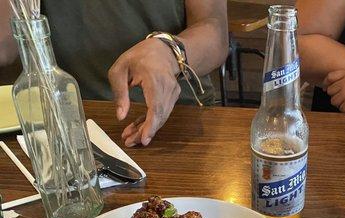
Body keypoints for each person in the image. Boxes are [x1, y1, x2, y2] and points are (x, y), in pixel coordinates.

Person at [0, 0, 228, 146]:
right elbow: (5, 45)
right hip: (59, 125)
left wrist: (170, 52)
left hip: (172, 118)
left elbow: (214, 30)